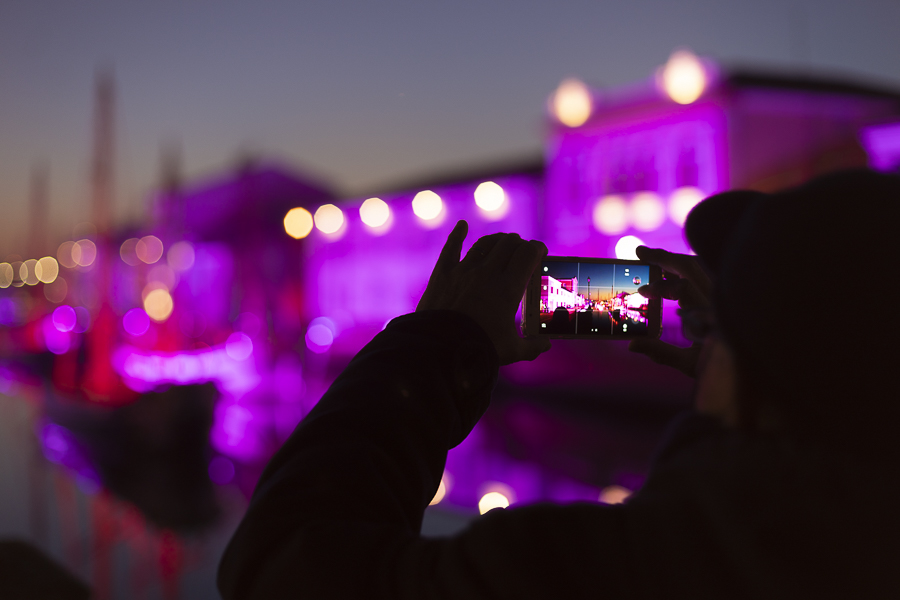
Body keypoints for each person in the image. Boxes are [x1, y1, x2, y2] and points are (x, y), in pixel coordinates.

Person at [218, 169, 900, 599]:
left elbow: (276, 566)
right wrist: (736, 397)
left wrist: (437, 346)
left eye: (727, 329)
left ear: (749, 373)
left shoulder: (605, 567)